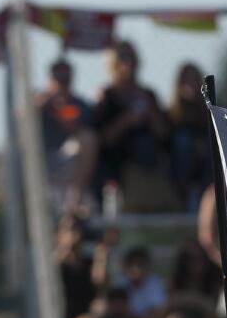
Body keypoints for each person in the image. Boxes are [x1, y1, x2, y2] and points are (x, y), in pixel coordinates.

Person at [92, 41, 173, 212]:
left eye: (132, 59)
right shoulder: (106, 96)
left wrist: (150, 114)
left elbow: (164, 134)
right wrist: (127, 120)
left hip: (146, 161)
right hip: (114, 163)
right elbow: (103, 139)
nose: (128, 64)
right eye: (122, 58)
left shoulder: (148, 95)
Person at [37, 57, 97, 214]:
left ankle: (74, 203)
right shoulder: (38, 102)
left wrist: (61, 109)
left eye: (66, 79)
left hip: (68, 161)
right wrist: (41, 106)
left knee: (87, 138)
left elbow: (75, 125)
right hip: (39, 162)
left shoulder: (78, 104)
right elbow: (19, 118)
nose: (62, 83)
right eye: (58, 79)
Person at [167, 62, 214, 211]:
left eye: (194, 80)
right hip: (181, 177)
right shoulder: (171, 115)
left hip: (205, 175)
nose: (191, 85)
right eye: (186, 80)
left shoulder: (209, 113)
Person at [119, 246, 167, 318]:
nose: (135, 268)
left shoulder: (155, 283)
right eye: (131, 264)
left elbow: (158, 312)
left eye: (139, 265)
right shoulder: (121, 284)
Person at [169, 239, 222, 304]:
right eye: (192, 259)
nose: (197, 264)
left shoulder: (215, 284)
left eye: (200, 259)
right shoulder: (175, 284)